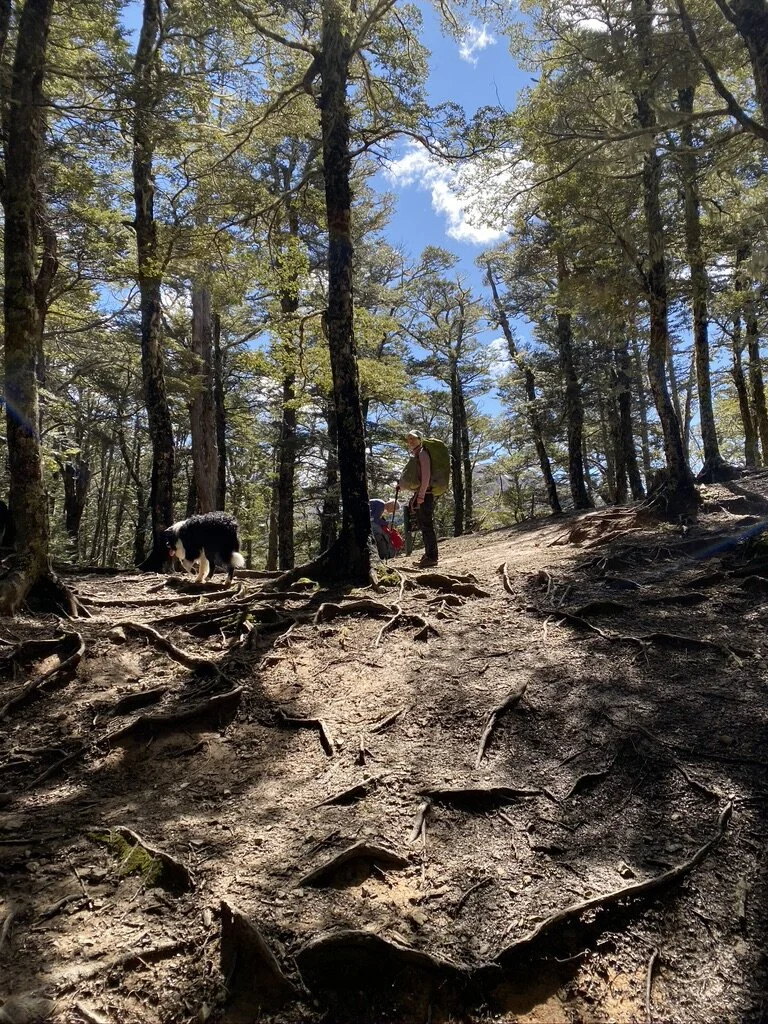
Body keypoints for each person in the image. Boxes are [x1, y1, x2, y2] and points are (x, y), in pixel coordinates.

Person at [400, 431, 439, 567]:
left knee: (427, 525)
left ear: (419, 439)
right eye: (408, 439)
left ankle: (432, 557)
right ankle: (428, 555)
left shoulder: (422, 453)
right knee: (424, 525)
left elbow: (426, 476)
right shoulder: (417, 453)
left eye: (413, 438)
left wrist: (421, 495)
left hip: (425, 494)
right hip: (422, 494)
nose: (410, 441)